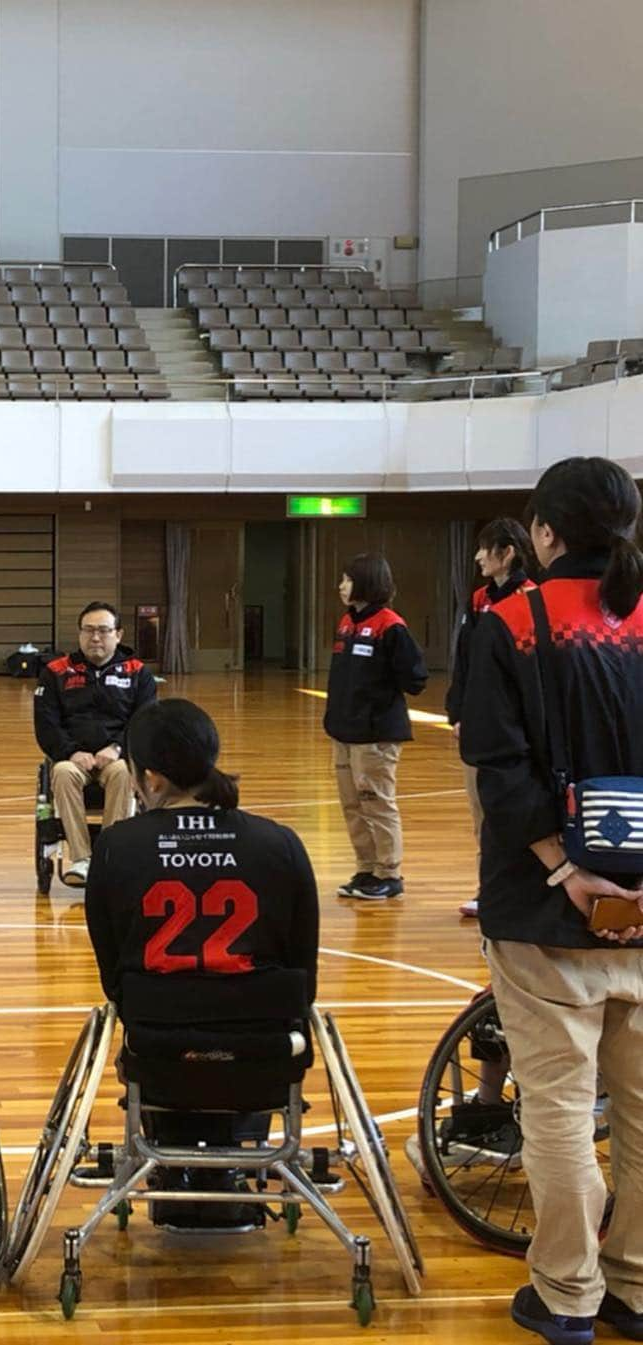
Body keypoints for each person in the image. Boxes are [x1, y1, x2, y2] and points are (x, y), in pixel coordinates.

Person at [461, 456, 643, 1345]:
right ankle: (637, 1288)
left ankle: (568, 1294)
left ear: (544, 531)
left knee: (562, 1107)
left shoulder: (509, 623)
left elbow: (500, 768)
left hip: (546, 912)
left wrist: (565, 869)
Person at [85, 697, 319, 1227]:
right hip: (263, 1059)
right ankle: (239, 1149)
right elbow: (304, 975)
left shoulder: (118, 846)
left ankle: (174, 1149)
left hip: (158, 1052)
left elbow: (112, 974)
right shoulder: (279, 843)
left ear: (149, 778)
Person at [446, 519, 537, 917]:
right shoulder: (479, 599)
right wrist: (459, 713)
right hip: (477, 724)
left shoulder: (533, 600)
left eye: (486, 548)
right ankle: (490, 889)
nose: (478, 556)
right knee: (481, 812)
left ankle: (523, 891)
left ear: (508, 553)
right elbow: (464, 661)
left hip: (517, 730)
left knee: (515, 810)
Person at [325, 553, 428, 901]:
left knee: (377, 802)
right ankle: (366, 868)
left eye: (347, 579)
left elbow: (415, 679)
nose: (341, 585)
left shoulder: (391, 626)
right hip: (344, 731)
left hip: (375, 735)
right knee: (352, 805)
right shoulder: (346, 623)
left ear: (367, 582)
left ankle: (390, 872)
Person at [34, 601, 156, 887]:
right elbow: (46, 725)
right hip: (72, 760)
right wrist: (72, 752)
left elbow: (145, 720)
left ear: (119, 634)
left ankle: (110, 858)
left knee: (126, 773)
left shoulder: (138, 673)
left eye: (103, 630)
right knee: (62, 773)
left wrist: (116, 749)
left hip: (116, 760)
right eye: (88, 630)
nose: (96, 637)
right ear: (79, 634)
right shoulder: (56, 672)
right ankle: (82, 860)